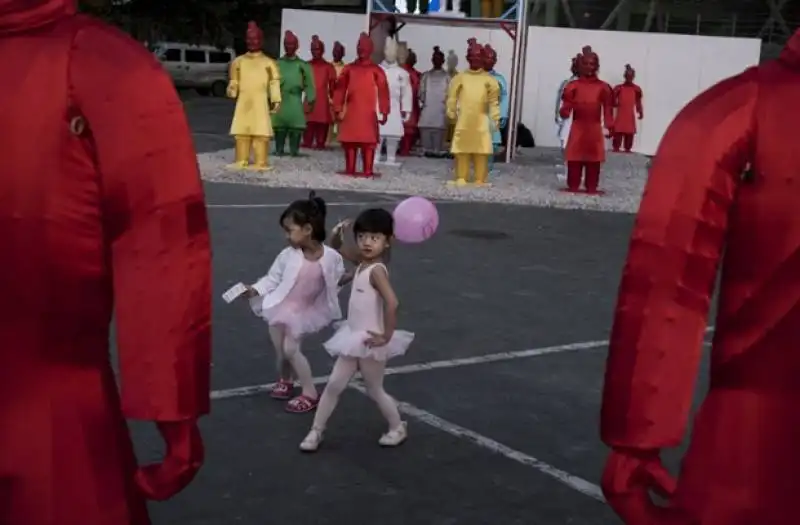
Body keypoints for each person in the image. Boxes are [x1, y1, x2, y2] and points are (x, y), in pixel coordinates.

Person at [0, 1, 212, 523]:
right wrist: (175, 412)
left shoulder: (102, 64)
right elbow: (161, 244)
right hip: (55, 430)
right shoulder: (105, 64)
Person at [600, 28, 800, 525]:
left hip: (754, 434)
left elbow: (667, 271)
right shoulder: (739, 109)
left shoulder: (740, 107)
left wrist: (636, 437)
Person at [299, 208, 414, 452]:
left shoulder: (377, 271)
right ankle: (316, 431)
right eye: (362, 237)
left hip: (370, 340)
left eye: (374, 238)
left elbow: (393, 303)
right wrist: (338, 232)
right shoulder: (363, 263)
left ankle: (397, 427)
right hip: (353, 337)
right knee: (333, 385)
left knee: (374, 388)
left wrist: (386, 336)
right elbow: (338, 248)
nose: (366, 242)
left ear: (387, 241)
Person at [246, 192, 345, 413]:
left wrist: (354, 276)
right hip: (278, 307)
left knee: (291, 349)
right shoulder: (288, 255)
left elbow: (335, 279)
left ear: (308, 229)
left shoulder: (331, 257)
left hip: (303, 312)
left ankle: (309, 393)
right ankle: (285, 379)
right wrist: (254, 289)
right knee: (282, 353)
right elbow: (272, 278)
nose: (286, 236)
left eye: (289, 230)